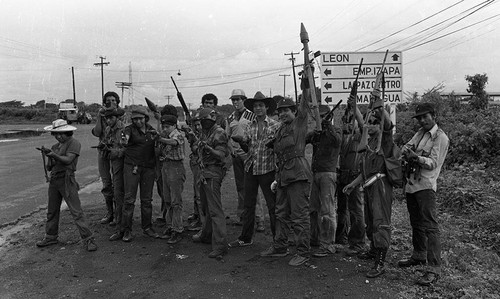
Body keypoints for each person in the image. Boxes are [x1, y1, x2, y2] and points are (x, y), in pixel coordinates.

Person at [397, 102, 449, 286]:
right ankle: (419, 255)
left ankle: (434, 268)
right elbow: (406, 146)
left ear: (433, 116)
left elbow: (433, 163)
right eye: (419, 117)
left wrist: (415, 157)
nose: (422, 120)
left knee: (430, 226)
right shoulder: (419, 133)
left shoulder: (440, 138)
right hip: (412, 185)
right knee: (416, 223)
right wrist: (406, 152)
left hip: (426, 186)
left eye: (425, 116)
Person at [342, 100, 396, 278]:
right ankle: (373, 250)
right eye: (369, 122)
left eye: (375, 122)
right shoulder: (369, 143)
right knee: (371, 221)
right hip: (369, 185)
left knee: (380, 222)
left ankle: (380, 262)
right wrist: (353, 184)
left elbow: (387, 125)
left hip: (380, 186)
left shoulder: (385, 140)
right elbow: (365, 171)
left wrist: (379, 107)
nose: (371, 125)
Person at [260, 96, 312, 267]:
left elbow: (305, 104)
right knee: (281, 214)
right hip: (283, 175)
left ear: (294, 111)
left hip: (297, 174)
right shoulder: (281, 130)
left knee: (299, 216)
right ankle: (280, 246)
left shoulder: (299, 123)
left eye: (286, 111)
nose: (282, 114)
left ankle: (303, 252)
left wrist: (306, 76)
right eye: (280, 111)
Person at [228, 91, 280, 248]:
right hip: (251, 167)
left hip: (267, 168)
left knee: (272, 206)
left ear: (266, 107)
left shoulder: (275, 126)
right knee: (248, 204)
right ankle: (246, 237)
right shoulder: (249, 126)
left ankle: (277, 240)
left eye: (261, 106)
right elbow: (248, 145)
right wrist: (241, 142)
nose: (258, 109)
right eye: (256, 106)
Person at [36, 119, 97, 252]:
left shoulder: (74, 143)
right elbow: (50, 167)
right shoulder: (55, 146)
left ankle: (88, 239)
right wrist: (48, 156)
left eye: (61, 134)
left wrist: (53, 155)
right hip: (55, 180)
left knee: (76, 211)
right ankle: (51, 236)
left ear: (67, 132)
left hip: (67, 179)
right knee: (52, 210)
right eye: (55, 134)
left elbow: (68, 160)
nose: (58, 136)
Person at [191, 108, 230, 258]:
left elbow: (221, 155)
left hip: (213, 172)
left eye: (203, 121)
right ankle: (207, 235)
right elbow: (197, 149)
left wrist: (208, 149)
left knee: (214, 210)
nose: (201, 124)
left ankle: (220, 245)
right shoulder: (205, 131)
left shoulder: (219, 132)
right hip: (204, 172)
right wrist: (195, 142)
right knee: (206, 207)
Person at [226, 89, 265, 230]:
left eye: (238, 99)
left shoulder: (252, 115)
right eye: (233, 100)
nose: (236, 102)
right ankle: (243, 217)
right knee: (241, 187)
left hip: (250, 154)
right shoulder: (230, 117)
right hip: (236, 155)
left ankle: (259, 219)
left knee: (254, 187)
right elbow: (227, 136)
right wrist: (231, 151)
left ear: (243, 99)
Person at [306, 105, 342, 257]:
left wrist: (327, 126)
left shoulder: (335, 131)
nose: (320, 119)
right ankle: (315, 239)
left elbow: (337, 141)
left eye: (323, 116)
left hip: (328, 173)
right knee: (313, 208)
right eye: (318, 117)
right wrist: (315, 131)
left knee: (327, 210)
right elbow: (304, 139)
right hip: (315, 173)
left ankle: (328, 244)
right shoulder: (317, 133)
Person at [121, 106, 159, 242]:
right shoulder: (128, 129)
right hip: (132, 167)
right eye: (135, 119)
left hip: (148, 168)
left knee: (147, 200)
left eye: (141, 119)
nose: (138, 122)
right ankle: (127, 230)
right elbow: (125, 138)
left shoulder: (151, 130)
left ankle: (147, 227)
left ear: (146, 118)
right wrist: (124, 140)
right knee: (129, 200)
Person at [337, 95, 367, 256]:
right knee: (342, 210)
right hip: (342, 176)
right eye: (346, 121)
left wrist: (355, 109)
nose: (348, 124)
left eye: (351, 121)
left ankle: (358, 243)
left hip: (355, 177)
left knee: (356, 211)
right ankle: (341, 237)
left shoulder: (360, 137)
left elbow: (364, 126)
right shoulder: (343, 137)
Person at [92, 91, 120, 225]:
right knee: (106, 183)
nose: (111, 103)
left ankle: (118, 214)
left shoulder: (121, 115)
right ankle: (110, 212)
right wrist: (99, 116)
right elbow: (97, 132)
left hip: (116, 152)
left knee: (117, 183)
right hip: (103, 151)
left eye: (114, 100)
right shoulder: (102, 116)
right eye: (108, 101)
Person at [157, 114, 186, 244]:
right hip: (166, 166)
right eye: (164, 126)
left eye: (167, 126)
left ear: (174, 126)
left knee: (176, 201)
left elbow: (174, 142)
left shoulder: (178, 134)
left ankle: (177, 229)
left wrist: (160, 139)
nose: (165, 129)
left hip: (176, 167)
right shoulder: (166, 135)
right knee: (167, 199)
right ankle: (170, 226)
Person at [101, 108, 127, 242]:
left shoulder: (123, 129)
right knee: (117, 194)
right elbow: (108, 142)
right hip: (113, 162)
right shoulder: (107, 129)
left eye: (111, 118)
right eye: (107, 118)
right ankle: (119, 221)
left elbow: (126, 148)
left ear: (117, 117)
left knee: (119, 194)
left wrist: (114, 151)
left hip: (122, 164)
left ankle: (121, 228)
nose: (109, 120)